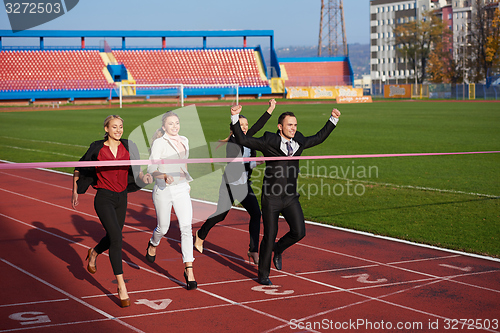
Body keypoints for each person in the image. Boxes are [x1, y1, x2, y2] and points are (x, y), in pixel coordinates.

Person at [231, 106, 341, 285]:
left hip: (290, 197)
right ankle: (263, 274)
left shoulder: (299, 140)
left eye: (295, 125)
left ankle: (278, 248)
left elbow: (318, 138)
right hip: (272, 198)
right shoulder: (269, 140)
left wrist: (333, 119)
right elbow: (243, 139)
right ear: (280, 127)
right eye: (290, 125)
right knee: (269, 234)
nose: (293, 128)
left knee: (299, 232)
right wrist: (234, 117)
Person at [71, 115, 153, 307]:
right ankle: (121, 286)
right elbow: (79, 167)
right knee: (117, 238)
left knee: (113, 236)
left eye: (121, 126)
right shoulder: (97, 148)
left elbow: (137, 171)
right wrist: (74, 190)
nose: (118, 130)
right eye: (114, 127)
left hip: (122, 198)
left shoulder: (128, 146)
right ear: (106, 129)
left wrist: (145, 178)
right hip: (104, 198)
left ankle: (94, 252)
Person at [194, 99, 276, 264]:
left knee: (256, 214)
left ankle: (253, 250)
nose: (245, 127)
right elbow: (235, 165)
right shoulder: (232, 143)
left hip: (244, 185)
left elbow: (258, 125)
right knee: (221, 214)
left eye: (246, 124)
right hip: (230, 185)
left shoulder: (249, 139)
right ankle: (200, 235)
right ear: (234, 127)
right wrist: (255, 162)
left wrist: (271, 108)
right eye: (241, 124)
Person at [145, 111, 197, 290]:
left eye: (177, 123)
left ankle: (189, 270)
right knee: (163, 228)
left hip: (182, 188)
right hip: (163, 189)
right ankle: (153, 242)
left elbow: (185, 162)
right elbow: (151, 168)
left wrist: (188, 182)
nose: (175, 126)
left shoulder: (185, 140)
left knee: (186, 228)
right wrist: (164, 175)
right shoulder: (159, 143)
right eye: (170, 124)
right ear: (164, 126)